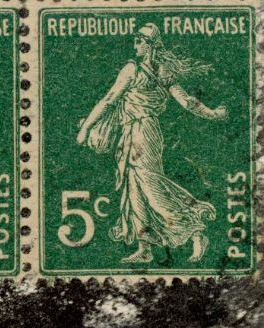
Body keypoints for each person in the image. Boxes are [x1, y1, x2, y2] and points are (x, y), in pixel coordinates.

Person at [77, 23, 224, 265]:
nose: (135, 45)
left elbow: (110, 99)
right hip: (133, 132)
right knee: (133, 188)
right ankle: (145, 247)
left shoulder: (133, 69)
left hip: (142, 132)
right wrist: (213, 113)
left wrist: (86, 128)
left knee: (150, 186)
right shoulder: (157, 69)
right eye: (135, 40)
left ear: (151, 44)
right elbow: (186, 102)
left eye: (140, 41)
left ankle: (195, 231)